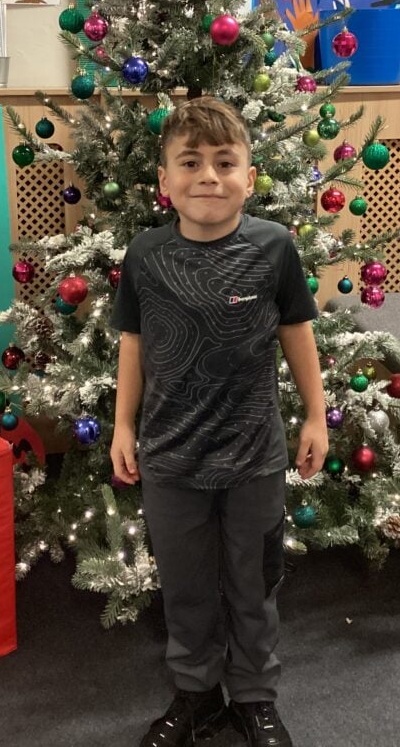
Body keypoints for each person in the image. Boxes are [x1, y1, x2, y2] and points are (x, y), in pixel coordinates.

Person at [110, 97, 328, 747]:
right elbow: (132, 345)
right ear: (165, 182)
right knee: (186, 589)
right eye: (191, 162)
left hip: (254, 458)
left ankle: (255, 697)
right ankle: (198, 695)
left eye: (225, 162)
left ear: (250, 178)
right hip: (172, 460)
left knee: (253, 585)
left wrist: (316, 414)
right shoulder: (145, 256)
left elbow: (298, 333)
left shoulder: (273, 248)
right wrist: (123, 427)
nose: (209, 176)